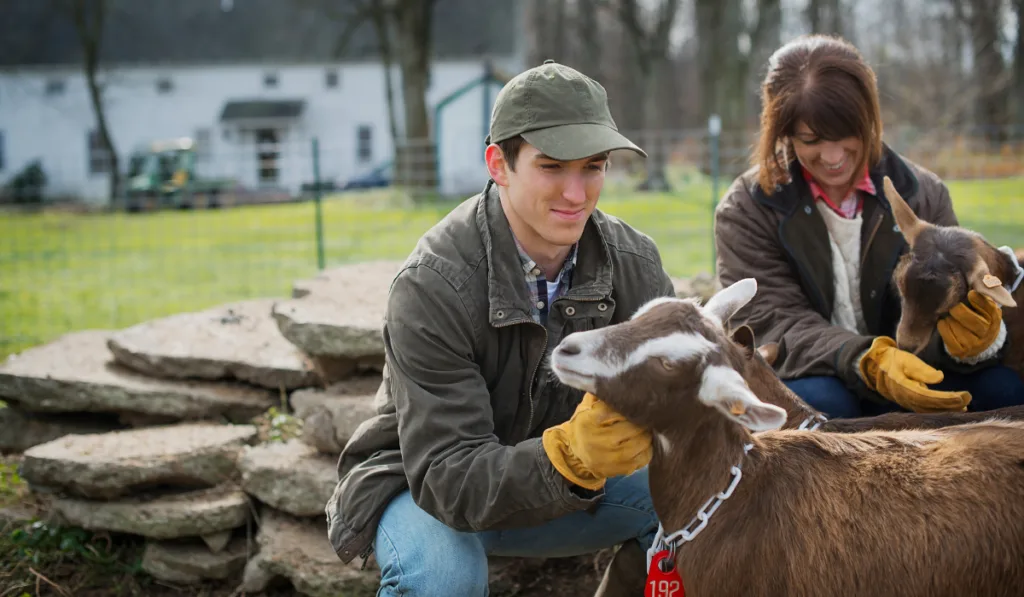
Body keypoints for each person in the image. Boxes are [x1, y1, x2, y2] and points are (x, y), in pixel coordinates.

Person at [325, 60, 677, 597]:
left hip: (567, 483)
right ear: (499, 164)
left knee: (704, 494)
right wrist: (570, 456)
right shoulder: (433, 284)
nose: (577, 193)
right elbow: (448, 475)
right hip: (426, 487)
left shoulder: (635, 263)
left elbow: (678, 413)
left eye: (594, 166)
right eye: (552, 167)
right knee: (442, 577)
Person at [714, 34, 1024, 419]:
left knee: (1005, 391)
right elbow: (772, 319)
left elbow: (948, 307)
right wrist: (865, 359)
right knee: (828, 403)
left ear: (869, 119)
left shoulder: (922, 193)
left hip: (916, 366)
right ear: (784, 132)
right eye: (810, 140)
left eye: (846, 136)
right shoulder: (747, 208)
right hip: (816, 372)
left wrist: (973, 343)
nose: (832, 157)